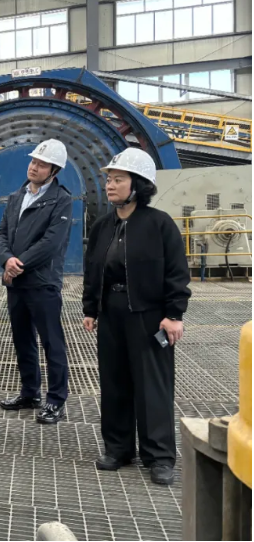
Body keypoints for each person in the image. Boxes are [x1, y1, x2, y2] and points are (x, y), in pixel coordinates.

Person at [82, 148, 190, 486]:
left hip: (149, 315)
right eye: (109, 180)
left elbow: (177, 272)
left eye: (119, 179)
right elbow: (92, 269)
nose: (110, 185)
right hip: (111, 312)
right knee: (114, 382)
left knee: (152, 386)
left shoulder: (159, 224)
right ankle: (118, 448)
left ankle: (159, 456)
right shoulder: (103, 226)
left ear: (138, 185)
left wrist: (174, 314)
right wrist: (90, 308)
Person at [0, 139, 72, 425]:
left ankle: (56, 400)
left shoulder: (61, 200)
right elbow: (1, 234)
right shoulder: (17, 196)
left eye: (41, 164)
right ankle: (30, 393)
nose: (34, 167)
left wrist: (17, 265)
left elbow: (51, 243)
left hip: (42, 283)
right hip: (17, 284)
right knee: (22, 340)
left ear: (54, 171)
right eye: (33, 161)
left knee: (52, 343)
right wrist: (6, 260)